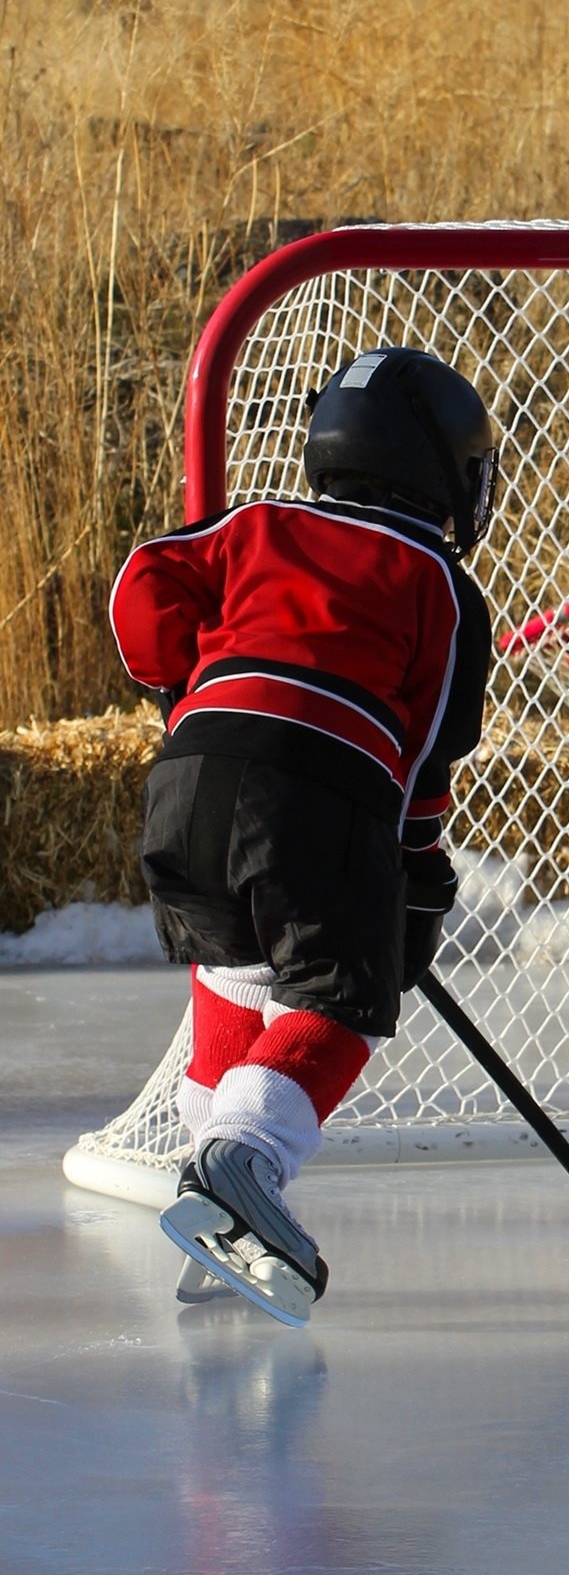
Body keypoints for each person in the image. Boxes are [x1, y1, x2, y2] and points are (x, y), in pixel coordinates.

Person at [109, 347, 497, 1323]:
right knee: (341, 1001)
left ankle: (216, 1203)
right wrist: (414, 876)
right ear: (446, 470)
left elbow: (143, 581)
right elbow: (424, 750)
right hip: (320, 790)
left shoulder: (255, 523)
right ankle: (247, 1161)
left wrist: (181, 690)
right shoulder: (440, 584)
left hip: (186, 779)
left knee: (234, 969)